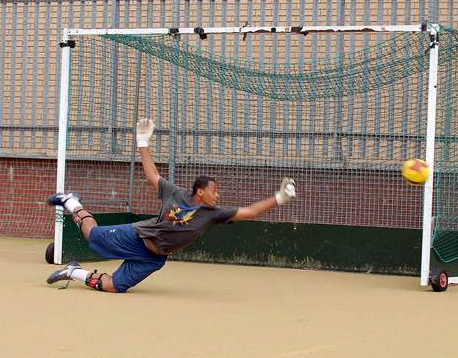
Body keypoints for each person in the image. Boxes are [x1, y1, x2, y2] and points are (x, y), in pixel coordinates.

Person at [45, 118, 296, 293]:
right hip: (136, 237)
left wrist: (279, 197)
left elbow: (250, 211)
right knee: (90, 234)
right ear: (200, 191)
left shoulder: (214, 214)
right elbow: (152, 176)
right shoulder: (175, 194)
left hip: (154, 258)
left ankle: (73, 272)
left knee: (114, 286)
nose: (217, 196)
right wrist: (142, 141)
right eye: (214, 191)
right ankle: (71, 200)